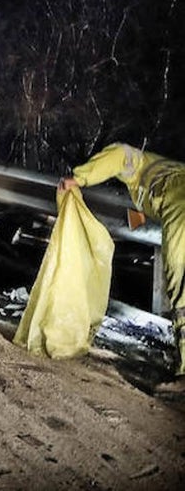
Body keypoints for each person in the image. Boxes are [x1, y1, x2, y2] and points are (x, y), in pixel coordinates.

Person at [59, 143, 184, 378]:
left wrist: (78, 179)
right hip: (175, 201)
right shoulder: (164, 170)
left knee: (181, 286)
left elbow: (119, 154)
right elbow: (143, 214)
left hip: (180, 203)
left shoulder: (141, 166)